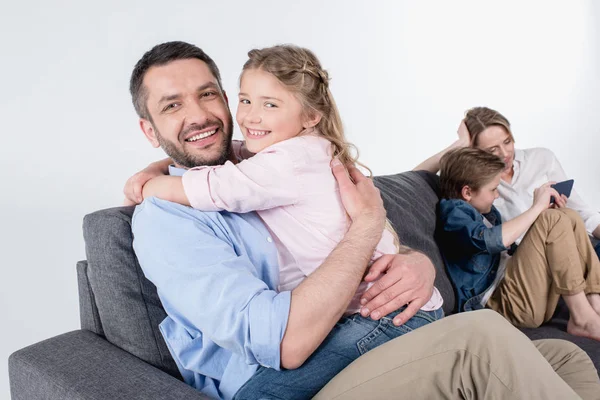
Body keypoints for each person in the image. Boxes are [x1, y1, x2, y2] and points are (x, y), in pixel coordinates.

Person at [126, 41, 600, 399]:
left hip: (354, 339)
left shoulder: (258, 165)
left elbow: (356, 228)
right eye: (172, 106)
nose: (198, 114)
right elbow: (281, 343)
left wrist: (415, 262)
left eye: (208, 94)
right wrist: (368, 228)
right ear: (149, 130)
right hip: (283, 380)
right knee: (482, 342)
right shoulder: (167, 218)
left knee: (564, 356)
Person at [137, 44, 443, 323]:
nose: (252, 117)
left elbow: (220, 187)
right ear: (149, 131)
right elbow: (238, 154)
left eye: (270, 105)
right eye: (247, 101)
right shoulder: (290, 155)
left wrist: (151, 185)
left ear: (310, 115)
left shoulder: (285, 161)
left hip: (386, 311)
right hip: (363, 314)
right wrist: (159, 167)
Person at [438, 147, 600, 340]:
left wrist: (550, 217)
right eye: (493, 189)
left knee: (568, 215)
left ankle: (594, 306)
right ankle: (582, 319)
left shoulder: (488, 214)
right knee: (551, 219)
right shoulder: (454, 213)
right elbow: (488, 241)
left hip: (525, 296)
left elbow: (510, 251)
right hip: (506, 306)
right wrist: (537, 208)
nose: (497, 195)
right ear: (467, 192)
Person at [415, 106, 600, 260]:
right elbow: (414, 179)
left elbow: (583, 212)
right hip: (535, 259)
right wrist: (461, 143)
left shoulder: (542, 158)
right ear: (474, 151)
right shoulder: (476, 187)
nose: (504, 154)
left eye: (507, 141)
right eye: (492, 149)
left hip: (576, 241)